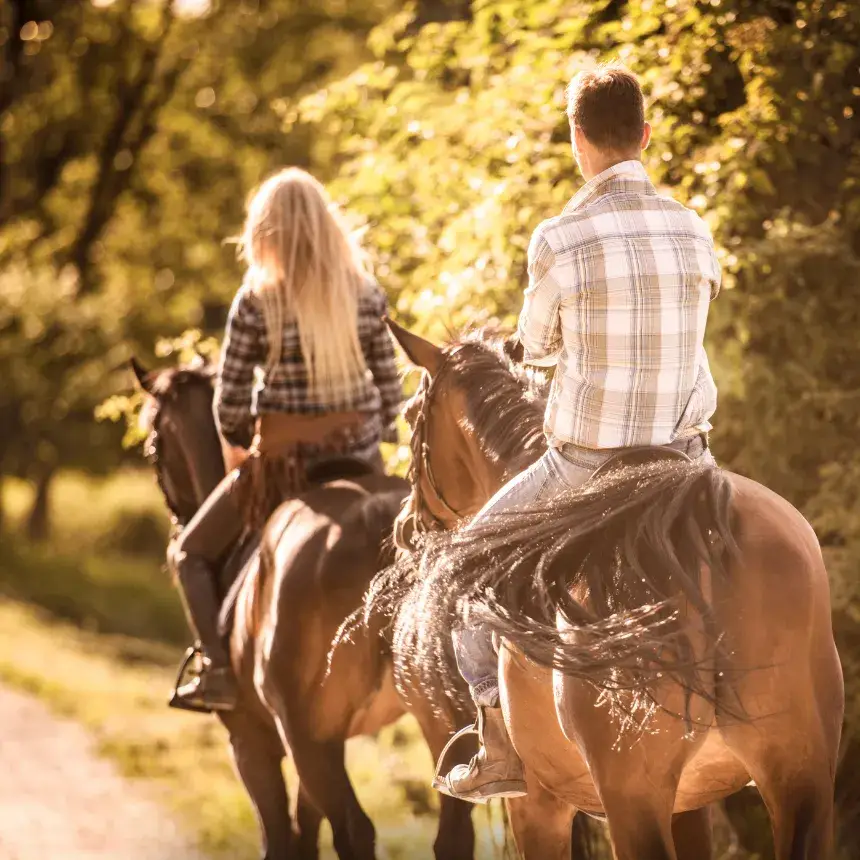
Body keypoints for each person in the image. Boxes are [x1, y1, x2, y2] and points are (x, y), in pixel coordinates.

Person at [437, 63, 721, 802]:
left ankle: (498, 745)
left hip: (587, 465)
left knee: (464, 570)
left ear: (577, 140)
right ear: (646, 135)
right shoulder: (693, 228)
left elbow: (535, 350)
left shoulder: (559, 238)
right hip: (686, 460)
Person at [168, 168, 402, 713]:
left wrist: (245, 438)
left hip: (283, 470)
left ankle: (219, 671)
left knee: (190, 555)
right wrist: (366, 433)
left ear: (264, 232)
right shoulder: (366, 295)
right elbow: (392, 396)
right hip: (362, 462)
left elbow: (228, 404)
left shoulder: (257, 301)